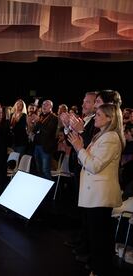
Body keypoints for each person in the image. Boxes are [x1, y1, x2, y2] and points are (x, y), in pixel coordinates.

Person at [68, 103, 125, 276]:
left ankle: (100, 270)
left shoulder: (111, 138)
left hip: (100, 195)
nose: (96, 117)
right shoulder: (100, 135)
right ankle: (98, 268)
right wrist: (80, 149)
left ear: (110, 118)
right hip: (94, 194)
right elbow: (84, 160)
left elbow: (94, 165)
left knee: (100, 238)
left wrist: (79, 148)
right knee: (97, 237)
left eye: (99, 115)